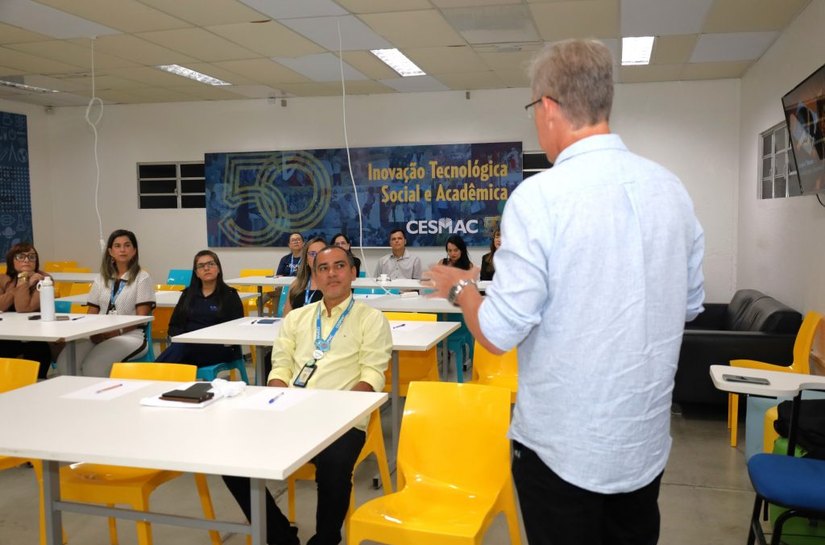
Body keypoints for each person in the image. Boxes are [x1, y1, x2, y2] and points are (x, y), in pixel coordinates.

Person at [425, 39, 705, 545]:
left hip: (564, 451)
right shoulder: (672, 190)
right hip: (642, 444)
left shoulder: (541, 197)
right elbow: (686, 306)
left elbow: (497, 333)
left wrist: (460, 287)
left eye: (533, 109)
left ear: (548, 107)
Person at [222, 245, 392, 545]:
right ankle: (280, 537)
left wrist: (341, 411)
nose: (332, 274)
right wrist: (281, 401)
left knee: (334, 465)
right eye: (323, 268)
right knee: (231, 459)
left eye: (339, 266)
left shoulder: (371, 318)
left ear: (353, 272)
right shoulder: (296, 318)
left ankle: (326, 538)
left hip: (343, 417)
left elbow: (372, 374)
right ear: (314, 277)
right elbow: (280, 366)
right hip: (293, 411)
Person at [56, 229, 156, 377]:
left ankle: (98, 392)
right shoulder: (101, 278)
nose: (122, 249)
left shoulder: (142, 277)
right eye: (117, 246)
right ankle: (80, 391)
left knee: (94, 365)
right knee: (65, 362)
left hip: (130, 335)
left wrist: (116, 332)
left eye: (127, 245)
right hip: (99, 333)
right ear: (110, 251)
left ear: (134, 251)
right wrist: (92, 332)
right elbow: (92, 313)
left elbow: (141, 318)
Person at [155, 250, 244, 366]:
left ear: (218, 269)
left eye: (211, 264)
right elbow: (174, 325)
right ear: (196, 273)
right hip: (188, 345)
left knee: (179, 352)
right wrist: (183, 338)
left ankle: (152, 371)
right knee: (180, 349)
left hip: (219, 347)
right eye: (201, 266)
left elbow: (236, 329)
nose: (206, 268)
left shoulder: (230, 295)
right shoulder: (187, 295)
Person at [0, 243, 54, 379]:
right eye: (21, 256)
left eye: (31, 257)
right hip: (8, 335)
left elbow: (23, 308)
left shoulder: (43, 279)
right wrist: (23, 284)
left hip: (35, 335)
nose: (26, 260)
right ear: (11, 260)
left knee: (37, 349)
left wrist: (23, 281)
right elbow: (1, 305)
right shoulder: (3, 279)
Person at [282, 237, 326, 317]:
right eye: (312, 254)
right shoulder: (296, 285)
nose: (317, 257)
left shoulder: (334, 286)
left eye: (321, 253)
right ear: (306, 259)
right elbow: (287, 318)